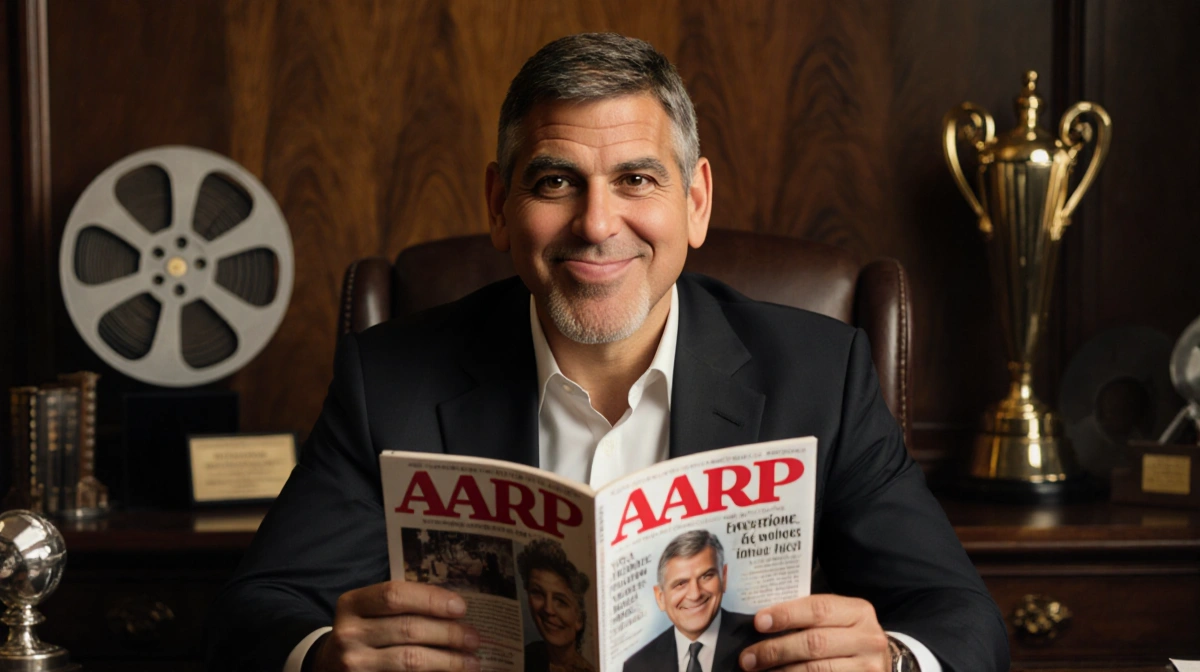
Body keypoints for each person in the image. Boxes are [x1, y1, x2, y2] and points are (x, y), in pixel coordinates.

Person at [206, 32, 1009, 672]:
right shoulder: (389, 379)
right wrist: (320, 660)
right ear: (499, 205)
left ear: (694, 202)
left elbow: (961, 619)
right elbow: (257, 610)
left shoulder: (820, 374)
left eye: (636, 180)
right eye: (556, 183)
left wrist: (895, 663)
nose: (596, 224)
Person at [623, 531, 763, 672]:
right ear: (660, 597)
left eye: (706, 576)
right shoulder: (636, 666)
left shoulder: (763, 639)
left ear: (724, 577)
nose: (695, 594)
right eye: (680, 584)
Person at [516, 539, 594, 672]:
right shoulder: (526, 657)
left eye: (561, 601)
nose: (548, 609)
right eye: (538, 593)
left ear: (580, 618)